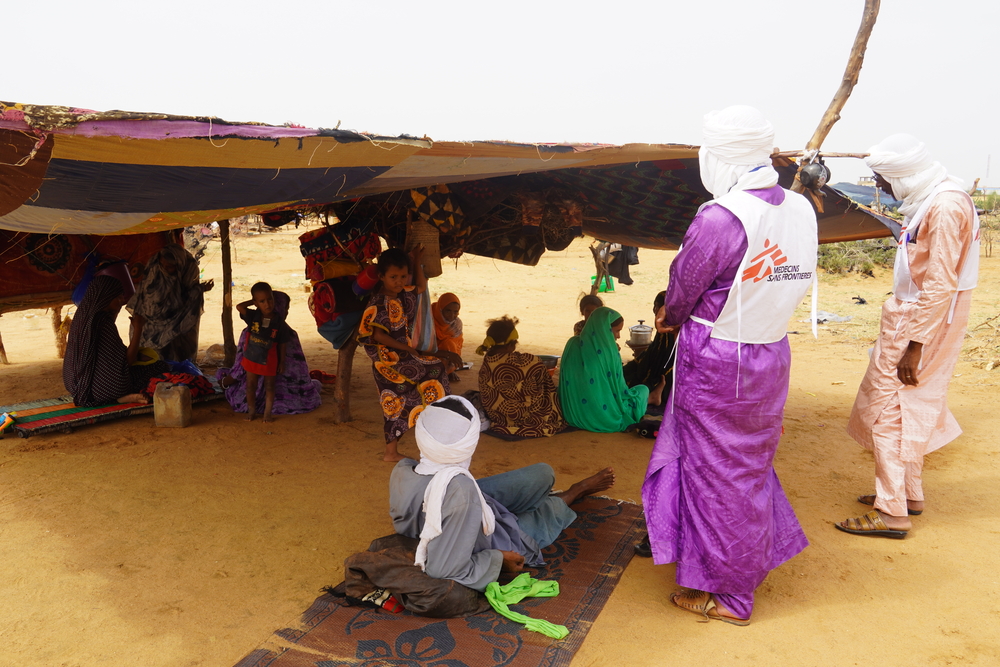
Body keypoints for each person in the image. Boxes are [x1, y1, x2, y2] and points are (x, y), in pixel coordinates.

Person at [640, 105, 817, 625]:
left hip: (719, 361)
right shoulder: (801, 209)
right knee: (747, 467)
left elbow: (682, 292)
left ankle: (731, 593)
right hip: (770, 354)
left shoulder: (721, 217)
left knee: (717, 476)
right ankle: (731, 564)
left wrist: (672, 318)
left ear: (719, 157)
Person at [838, 134, 979, 539]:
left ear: (901, 173)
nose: (878, 186)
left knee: (891, 411)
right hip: (921, 316)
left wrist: (914, 346)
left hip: (924, 320)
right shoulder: (938, 197)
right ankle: (906, 495)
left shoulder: (947, 205)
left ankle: (891, 512)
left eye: (881, 178)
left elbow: (940, 283)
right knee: (910, 405)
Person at [389, 395, 615, 591]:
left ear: (422, 436)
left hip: (463, 501)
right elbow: (443, 570)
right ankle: (574, 493)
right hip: (475, 525)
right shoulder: (462, 493)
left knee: (542, 474)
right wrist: (498, 559)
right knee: (549, 509)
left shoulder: (404, 469)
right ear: (468, 445)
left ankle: (544, 498)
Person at [357, 247, 462, 461]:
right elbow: (378, 335)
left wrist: (417, 261)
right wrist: (407, 349)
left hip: (401, 357)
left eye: (403, 276)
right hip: (387, 361)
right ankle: (430, 428)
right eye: (393, 277)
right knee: (399, 396)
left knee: (396, 400)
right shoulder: (379, 302)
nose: (399, 281)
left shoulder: (402, 295)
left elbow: (421, 286)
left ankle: (398, 447)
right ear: (381, 277)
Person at [63, 275, 169, 406]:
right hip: (104, 390)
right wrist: (138, 327)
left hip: (75, 387)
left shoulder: (82, 317)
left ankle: (117, 400)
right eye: (118, 298)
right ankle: (118, 398)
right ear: (106, 297)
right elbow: (127, 361)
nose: (121, 302)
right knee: (160, 367)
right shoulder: (103, 322)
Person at [559, 306, 666, 433]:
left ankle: (652, 397)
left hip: (572, 413)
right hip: (606, 418)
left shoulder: (572, 343)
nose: (618, 336)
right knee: (640, 390)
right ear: (604, 329)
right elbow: (619, 392)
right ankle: (651, 397)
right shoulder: (609, 352)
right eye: (616, 331)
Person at [217, 290, 321, 416]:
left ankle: (256, 411)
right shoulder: (290, 334)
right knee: (316, 385)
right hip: (292, 398)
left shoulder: (250, 331)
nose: (286, 312)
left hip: (255, 389)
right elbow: (301, 374)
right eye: (286, 308)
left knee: (241, 384)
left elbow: (240, 369)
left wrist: (224, 383)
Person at [477, 316, 567, 438]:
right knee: (539, 371)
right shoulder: (522, 361)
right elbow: (537, 364)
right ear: (510, 346)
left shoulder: (488, 360)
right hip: (521, 416)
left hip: (497, 415)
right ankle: (547, 411)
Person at [127, 243, 213, 363]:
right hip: (146, 330)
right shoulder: (154, 275)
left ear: (179, 266)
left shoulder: (187, 270)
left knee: (171, 366)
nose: (164, 269)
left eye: (170, 267)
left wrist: (199, 290)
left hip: (172, 335)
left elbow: (182, 302)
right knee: (148, 363)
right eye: (162, 265)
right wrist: (199, 290)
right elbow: (157, 306)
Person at [235, 282, 290, 422]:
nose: (267, 304)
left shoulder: (279, 322)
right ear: (255, 303)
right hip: (251, 358)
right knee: (250, 385)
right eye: (262, 301)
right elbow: (239, 307)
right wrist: (253, 302)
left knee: (270, 386)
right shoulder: (253, 316)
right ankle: (251, 411)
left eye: (270, 299)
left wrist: (282, 362)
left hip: (270, 360)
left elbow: (282, 344)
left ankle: (267, 414)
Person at [623, 290, 676, 395]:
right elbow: (650, 355)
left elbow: (665, 363)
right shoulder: (662, 334)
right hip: (656, 372)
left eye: (658, 306)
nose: (655, 310)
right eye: (654, 306)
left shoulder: (673, 332)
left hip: (668, 378)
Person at [432, 292, 464, 382]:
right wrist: (448, 354)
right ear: (440, 309)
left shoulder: (456, 324)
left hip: (445, 355)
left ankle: (448, 371)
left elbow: (458, 345)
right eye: (448, 311)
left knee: (450, 344)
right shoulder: (428, 321)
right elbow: (421, 350)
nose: (452, 315)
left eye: (455, 312)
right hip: (429, 355)